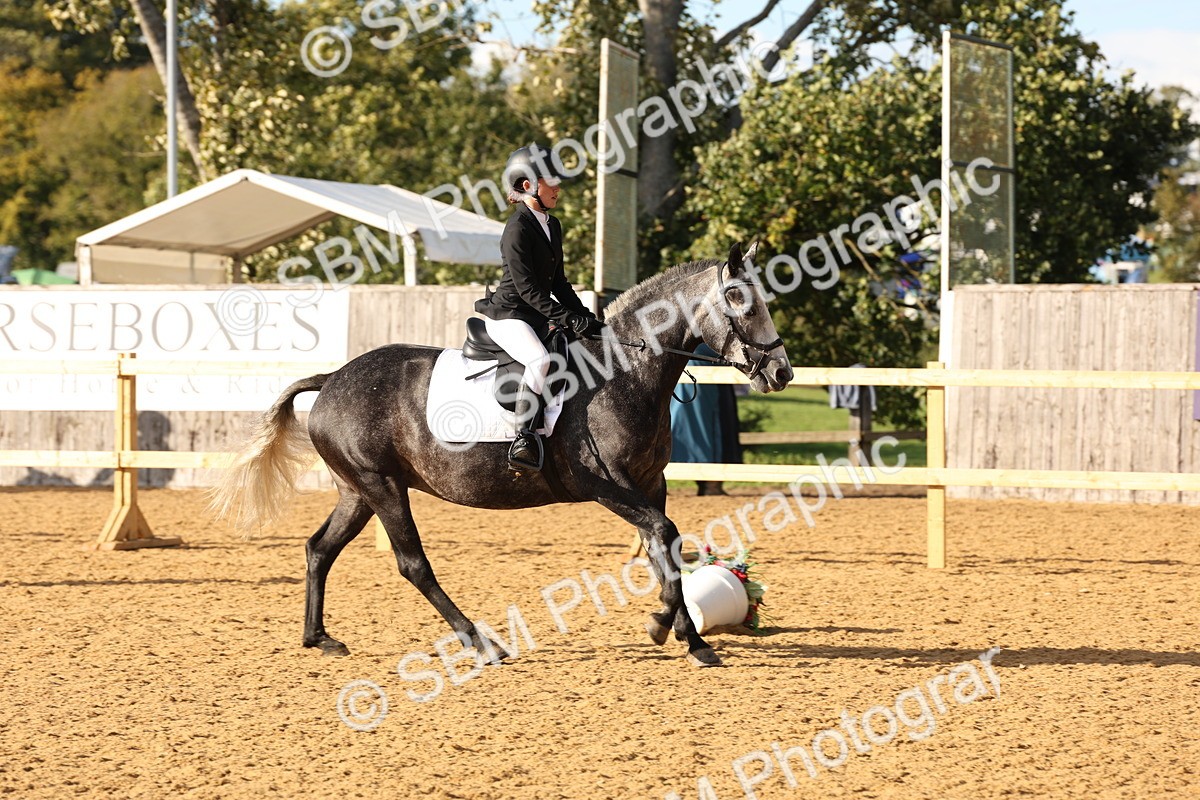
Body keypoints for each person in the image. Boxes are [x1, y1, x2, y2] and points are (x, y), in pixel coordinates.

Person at [475, 143, 604, 472]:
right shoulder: (516, 229)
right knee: (541, 360)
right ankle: (524, 438)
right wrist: (565, 317)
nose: (557, 187)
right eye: (551, 181)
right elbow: (528, 289)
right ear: (527, 185)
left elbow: (559, 282)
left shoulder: (552, 224)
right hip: (509, 315)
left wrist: (587, 318)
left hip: (534, 313)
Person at [669, 344, 743, 495]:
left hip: (700, 366)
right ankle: (711, 485)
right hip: (697, 368)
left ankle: (711, 484)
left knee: (703, 425)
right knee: (709, 426)